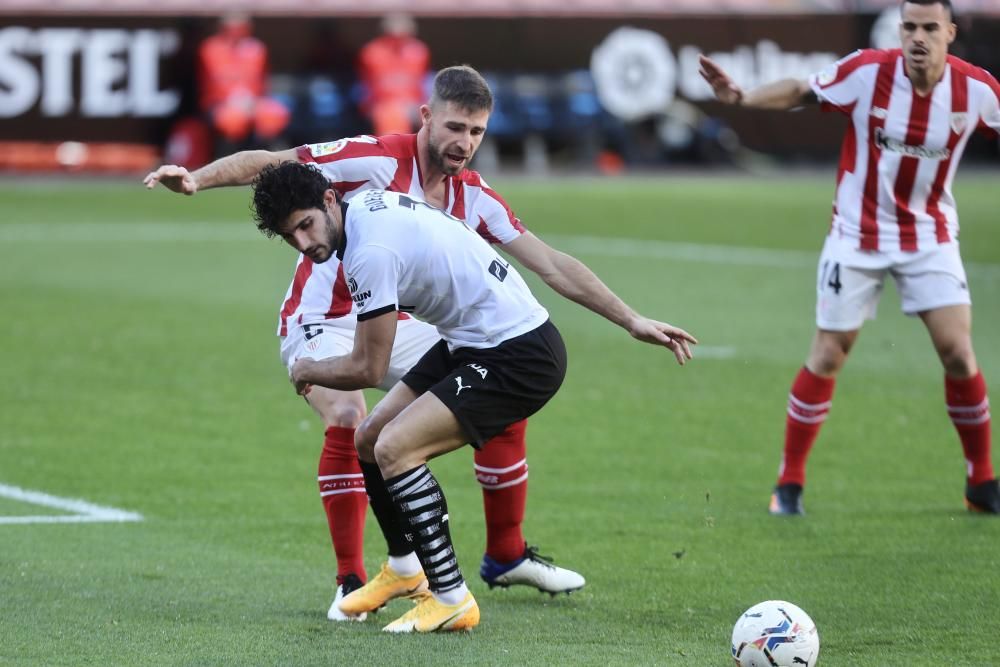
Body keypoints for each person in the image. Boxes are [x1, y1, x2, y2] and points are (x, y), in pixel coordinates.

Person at [145, 66, 615, 621]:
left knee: (494, 405)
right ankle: (353, 577)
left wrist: (631, 320)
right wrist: (198, 179)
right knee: (349, 414)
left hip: (395, 323)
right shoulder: (371, 160)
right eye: (454, 127)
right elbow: (277, 164)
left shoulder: (476, 198)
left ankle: (504, 554)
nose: (464, 142)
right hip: (325, 317)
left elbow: (554, 266)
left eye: (476, 132)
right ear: (426, 118)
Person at [250, 162, 697, 632]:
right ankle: (404, 569)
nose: (304, 244)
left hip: (518, 355)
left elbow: (369, 367)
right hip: (472, 342)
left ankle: (451, 598)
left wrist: (308, 369)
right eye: (290, 237)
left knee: (395, 448)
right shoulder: (361, 206)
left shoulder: (368, 250)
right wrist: (631, 320)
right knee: (369, 438)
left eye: (305, 226)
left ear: (326, 201)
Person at [698, 0, 1000, 515]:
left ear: (950, 32)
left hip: (929, 235)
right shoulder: (867, 73)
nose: (918, 37)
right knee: (829, 352)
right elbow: (801, 90)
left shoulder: (977, 90)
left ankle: (981, 482)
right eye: (909, 27)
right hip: (856, 235)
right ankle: (788, 484)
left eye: (930, 27)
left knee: (957, 351)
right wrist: (743, 96)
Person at [197, 12, 290, 153]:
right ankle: (228, 161)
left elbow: (262, 81)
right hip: (221, 103)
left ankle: (269, 160)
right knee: (232, 120)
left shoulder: (257, 48)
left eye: (241, 27)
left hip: (252, 101)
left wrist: (252, 102)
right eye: (231, 28)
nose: (236, 32)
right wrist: (238, 101)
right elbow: (216, 81)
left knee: (274, 114)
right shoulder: (211, 48)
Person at [356, 14, 430, 135]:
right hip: (383, 103)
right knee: (391, 116)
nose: (398, 42)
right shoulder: (372, 51)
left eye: (403, 37)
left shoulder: (419, 50)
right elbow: (367, 86)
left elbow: (421, 83)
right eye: (393, 38)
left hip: (413, 102)